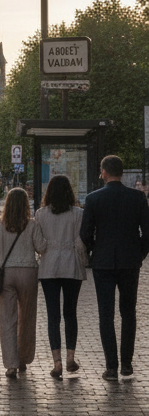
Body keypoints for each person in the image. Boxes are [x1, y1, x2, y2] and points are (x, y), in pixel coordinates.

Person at [80, 155, 149, 379]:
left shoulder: (93, 199)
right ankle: (127, 364)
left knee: (106, 314)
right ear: (120, 172)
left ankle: (111, 366)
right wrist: (139, 254)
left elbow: (85, 233)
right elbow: (147, 234)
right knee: (128, 313)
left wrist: (93, 251)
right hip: (130, 262)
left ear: (104, 172)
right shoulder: (138, 198)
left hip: (103, 263)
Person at [31, 175, 86, 378]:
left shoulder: (41, 214)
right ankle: (71, 357)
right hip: (72, 266)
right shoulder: (78, 214)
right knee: (70, 313)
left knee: (53, 316)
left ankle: (57, 363)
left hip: (49, 268)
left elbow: (39, 244)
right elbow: (81, 242)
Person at [0, 187, 38, 378]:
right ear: (25, 205)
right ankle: (24, 357)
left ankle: (11, 365)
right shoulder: (32, 224)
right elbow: (41, 247)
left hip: (6, 275)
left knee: (7, 320)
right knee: (27, 318)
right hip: (29, 274)